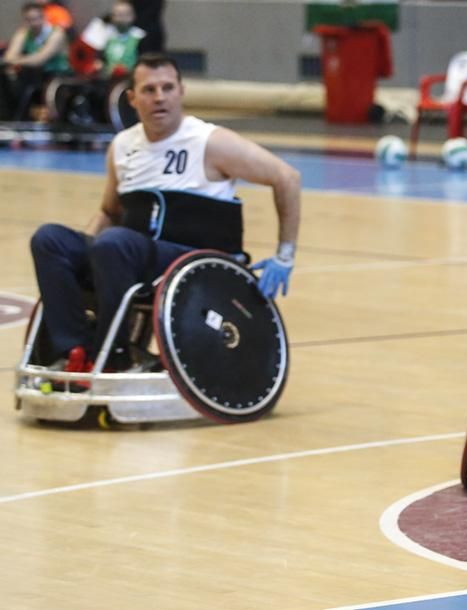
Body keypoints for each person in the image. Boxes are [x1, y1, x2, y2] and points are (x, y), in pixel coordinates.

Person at [29, 53, 301, 374]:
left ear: (181, 92)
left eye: (168, 88)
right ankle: (73, 348)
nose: (160, 97)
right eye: (149, 90)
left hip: (190, 260)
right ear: (132, 98)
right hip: (128, 254)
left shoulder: (210, 142)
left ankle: (116, 353)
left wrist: (285, 255)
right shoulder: (122, 146)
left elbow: (287, 178)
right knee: (50, 239)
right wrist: (87, 249)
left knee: (115, 244)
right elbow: (109, 210)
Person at [0, 2, 70, 121]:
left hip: (55, 76)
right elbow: (9, 57)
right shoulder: (24, 33)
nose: (33, 23)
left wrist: (17, 60)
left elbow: (40, 58)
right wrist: (14, 60)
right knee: (5, 76)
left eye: (36, 18)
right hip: (32, 75)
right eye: (29, 19)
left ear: (44, 17)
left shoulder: (56, 34)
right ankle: (9, 117)